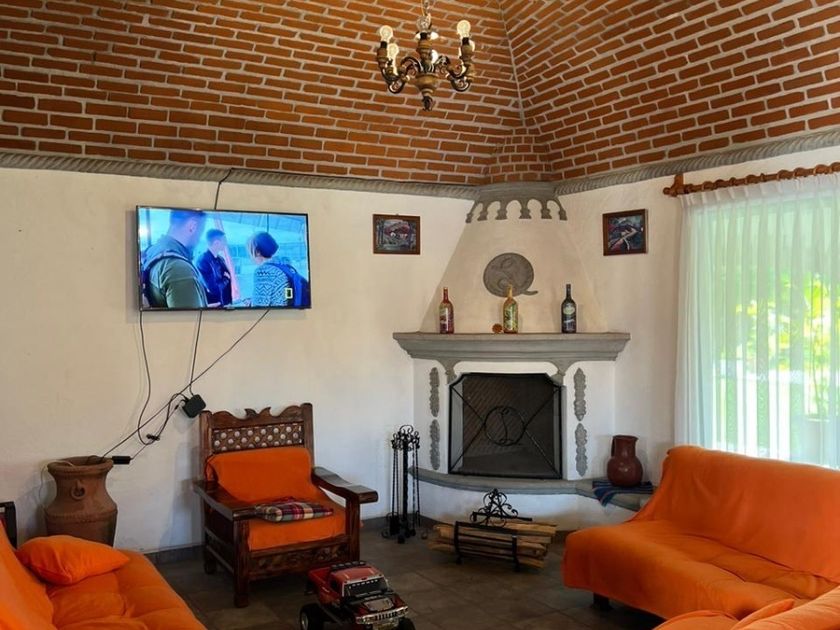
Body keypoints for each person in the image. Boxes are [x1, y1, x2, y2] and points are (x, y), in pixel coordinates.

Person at [142, 209, 208, 309]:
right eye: (201, 231)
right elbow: (190, 318)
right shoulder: (180, 269)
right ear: (192, 226)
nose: (199, 238)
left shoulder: (151, 251)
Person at [247, 232, 289, 307]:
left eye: (250, 252)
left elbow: (259, 306)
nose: (250, 256)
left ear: (257, 252)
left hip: (275, 313)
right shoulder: (284, 266)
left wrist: (250, 304)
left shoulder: (263, 272)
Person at [197, 229, 232, 307]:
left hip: (225, 305)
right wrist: (226, 279)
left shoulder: (220, 259)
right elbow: (213, 289)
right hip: (214, 307)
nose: (226, 244)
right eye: (224, 241)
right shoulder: (203, 261)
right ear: (216, 243)